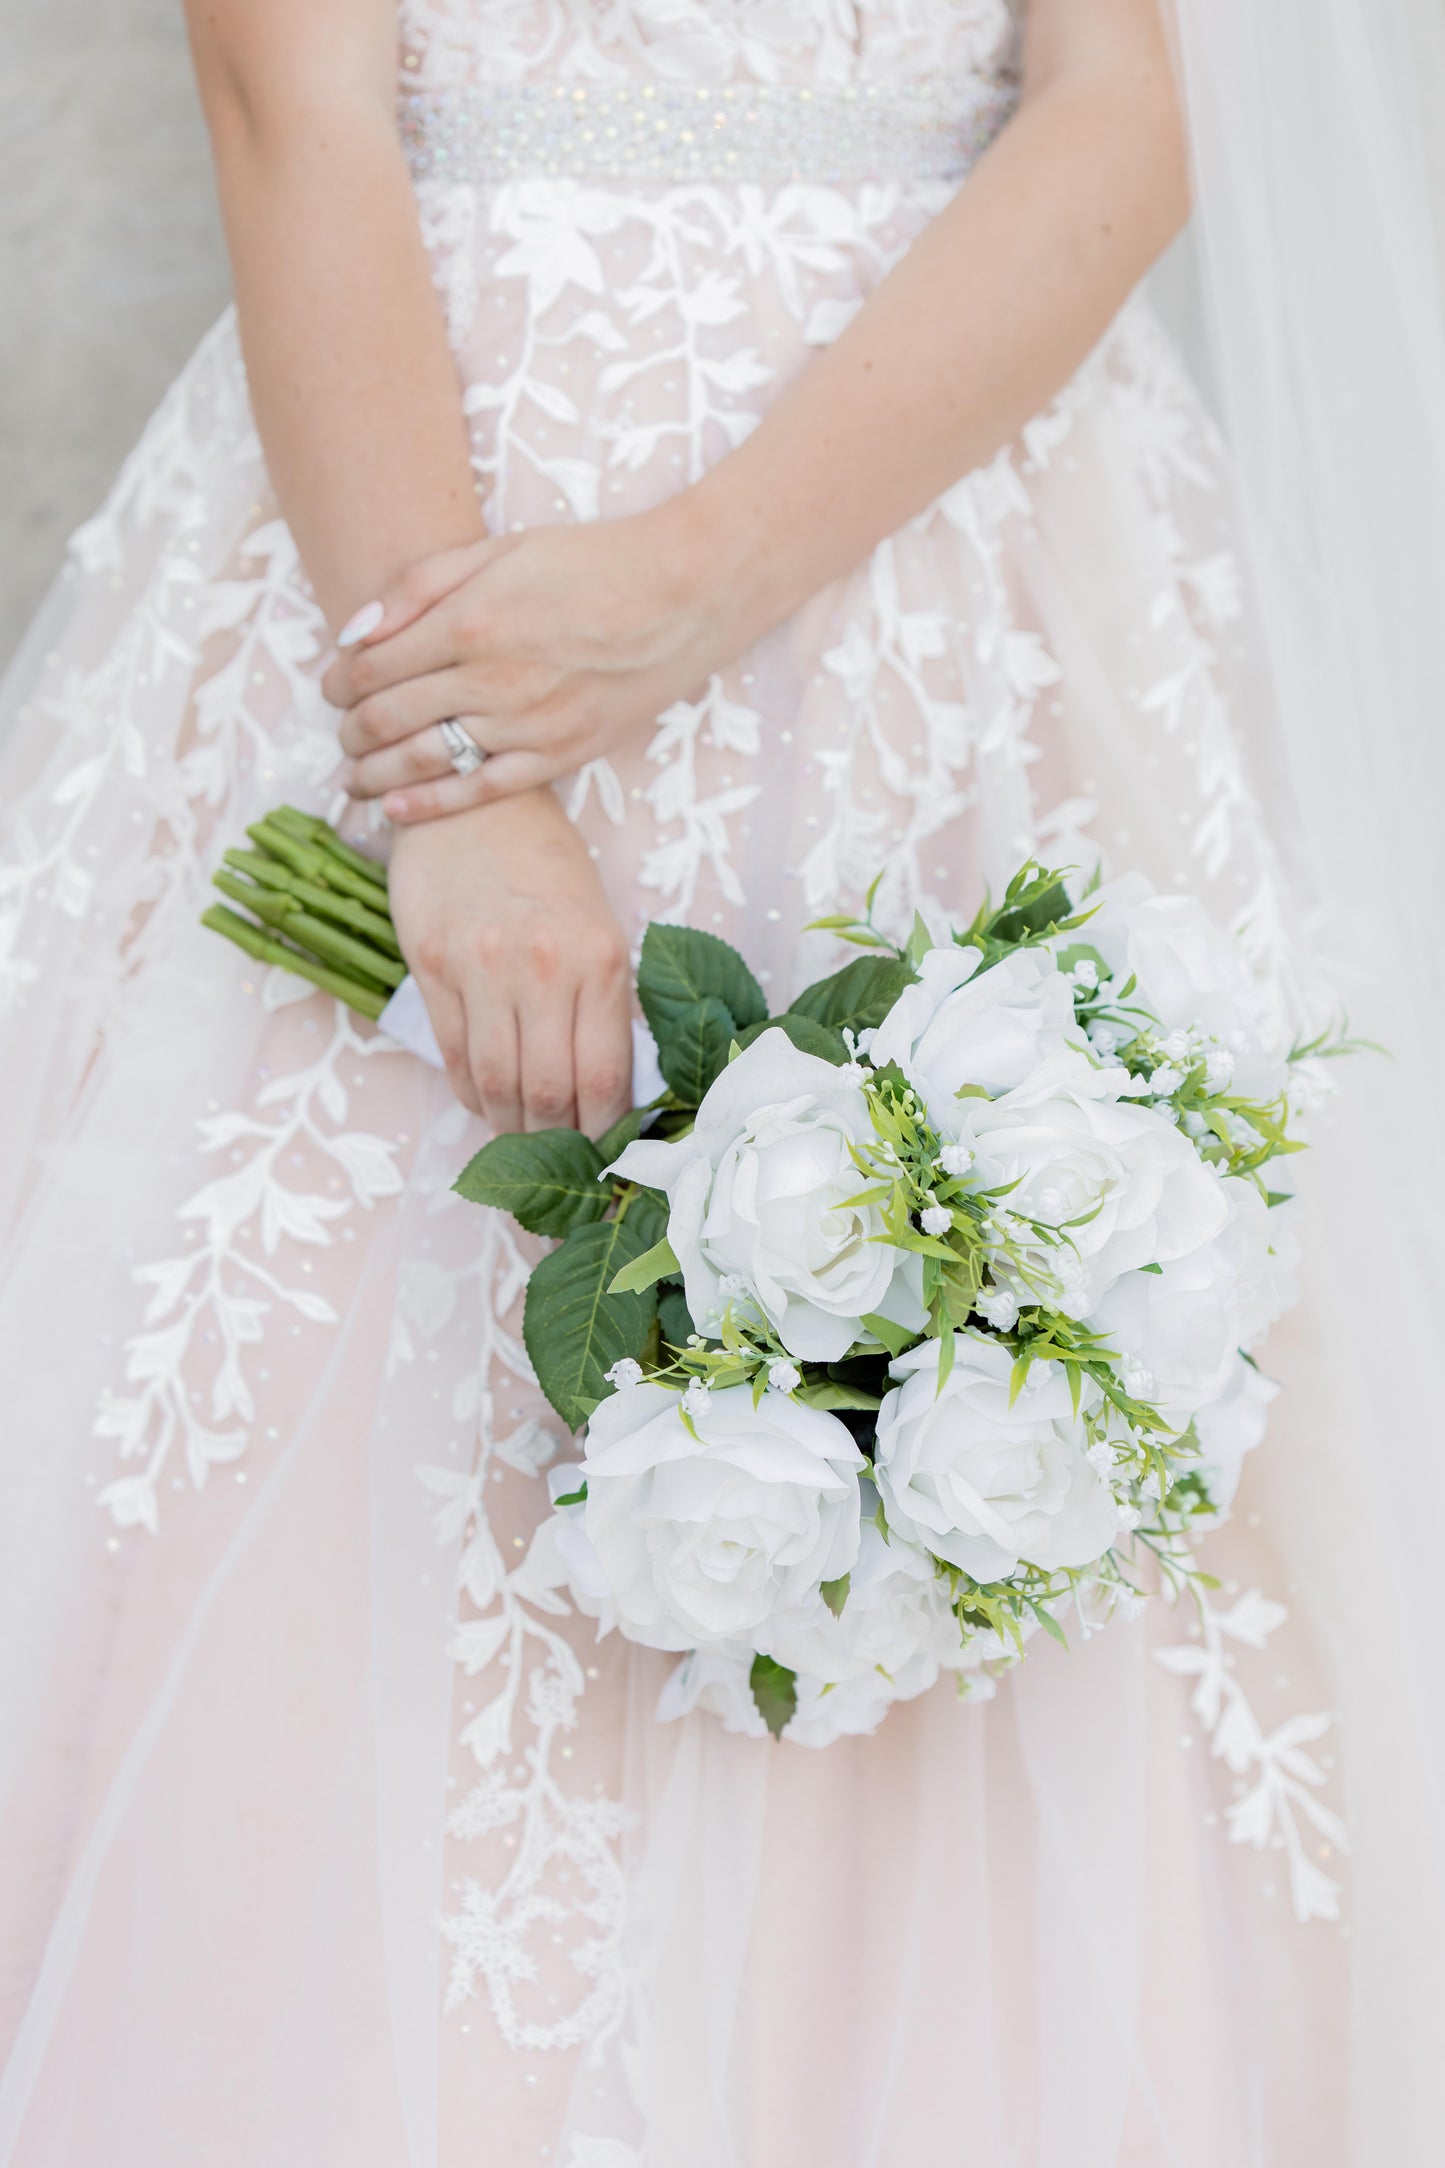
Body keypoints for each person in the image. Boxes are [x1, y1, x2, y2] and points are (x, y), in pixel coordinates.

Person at [0, 0, 1441, 2160]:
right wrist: (466, 782)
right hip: (448, 498)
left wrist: (693, 580)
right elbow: (288, 96)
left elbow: (1125, 95)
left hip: (957, 548)